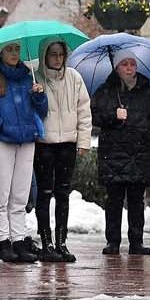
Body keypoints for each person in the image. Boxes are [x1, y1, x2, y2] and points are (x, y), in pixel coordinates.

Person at [0, 40, 47, 264]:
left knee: (20, 196)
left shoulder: (27, 77)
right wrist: (0, 124)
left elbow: (41, 111)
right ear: (1, 52)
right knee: (0, 195)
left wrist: (39, 96)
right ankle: (4, 241)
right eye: (9, 50)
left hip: (26, 140)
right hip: (1, 141)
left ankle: (18, 240)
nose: (14, 53)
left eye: (17, 49)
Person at [92, 53, 150, 256]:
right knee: (114, 200)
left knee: (136, 200)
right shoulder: (106, 90)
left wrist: (144, 128)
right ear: (117, 67)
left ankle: (136, 241)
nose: (129, 67)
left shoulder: (146, 90)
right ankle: (113, 241)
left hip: (139, 152)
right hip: (113, 152)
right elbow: (95, 115)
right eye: (124, 64)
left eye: (132, 64)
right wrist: (113, 116)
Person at [33, 39, 90, 263]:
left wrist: (83, 141)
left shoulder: (74, 78)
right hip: (44, 143)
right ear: (45, 55)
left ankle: (61, 242)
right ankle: (46, 242)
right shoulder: (36, 78)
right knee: (45, 193)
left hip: (67, 143)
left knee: (63, 193)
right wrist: (36, 95)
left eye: (61, 54)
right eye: (53, 54)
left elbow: (83, 111)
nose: (57, 59)